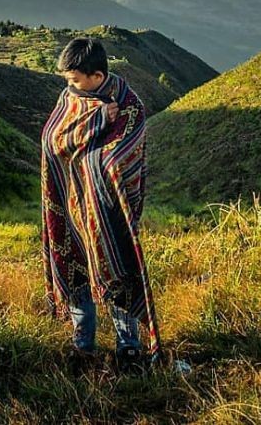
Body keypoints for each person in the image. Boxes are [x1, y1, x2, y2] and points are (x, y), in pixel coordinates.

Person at [40, 37, 161, 373]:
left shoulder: (128, 105)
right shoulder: (71, 98)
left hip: (107, 212)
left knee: (117, 271)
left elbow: (116, 161)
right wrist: (95, 124)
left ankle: (129, 349)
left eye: (75, 79)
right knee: (76, 271)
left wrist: (91, 144)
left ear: (96, 75)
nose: (70, 85)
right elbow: (52, 141)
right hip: (70, 209)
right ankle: (83, 347)